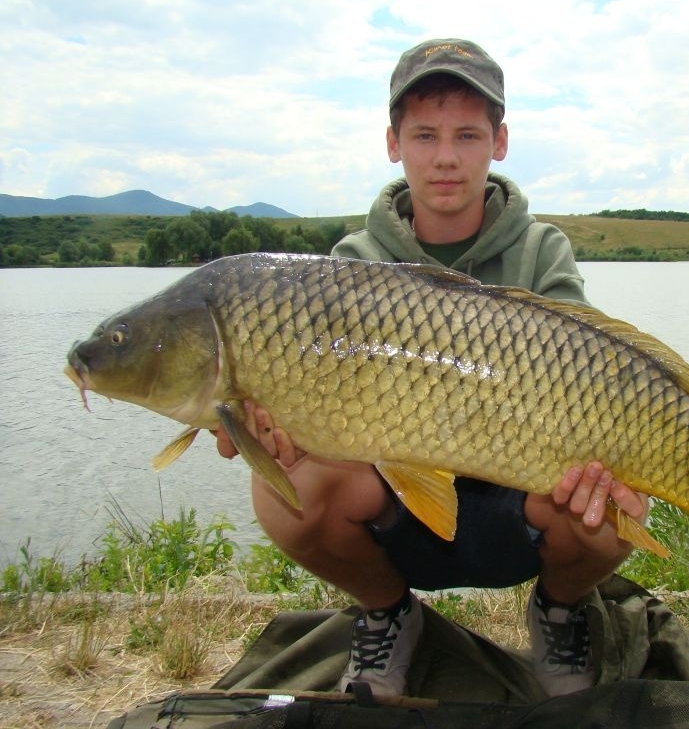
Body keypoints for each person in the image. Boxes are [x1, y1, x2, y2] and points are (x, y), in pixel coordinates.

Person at [216, 38, 648, 699]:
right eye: (424, 135)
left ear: (498, 142)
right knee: (281, 488)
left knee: (614, 499)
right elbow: (316, 410)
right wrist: (270, 431)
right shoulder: (351, 263)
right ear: (393, 143)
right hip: (402, 510)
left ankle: (559, 610)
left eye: (467, 135)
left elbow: (585, 383)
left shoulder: (540, 250)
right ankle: (388, 613)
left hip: (519, 505)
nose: (445, 157)